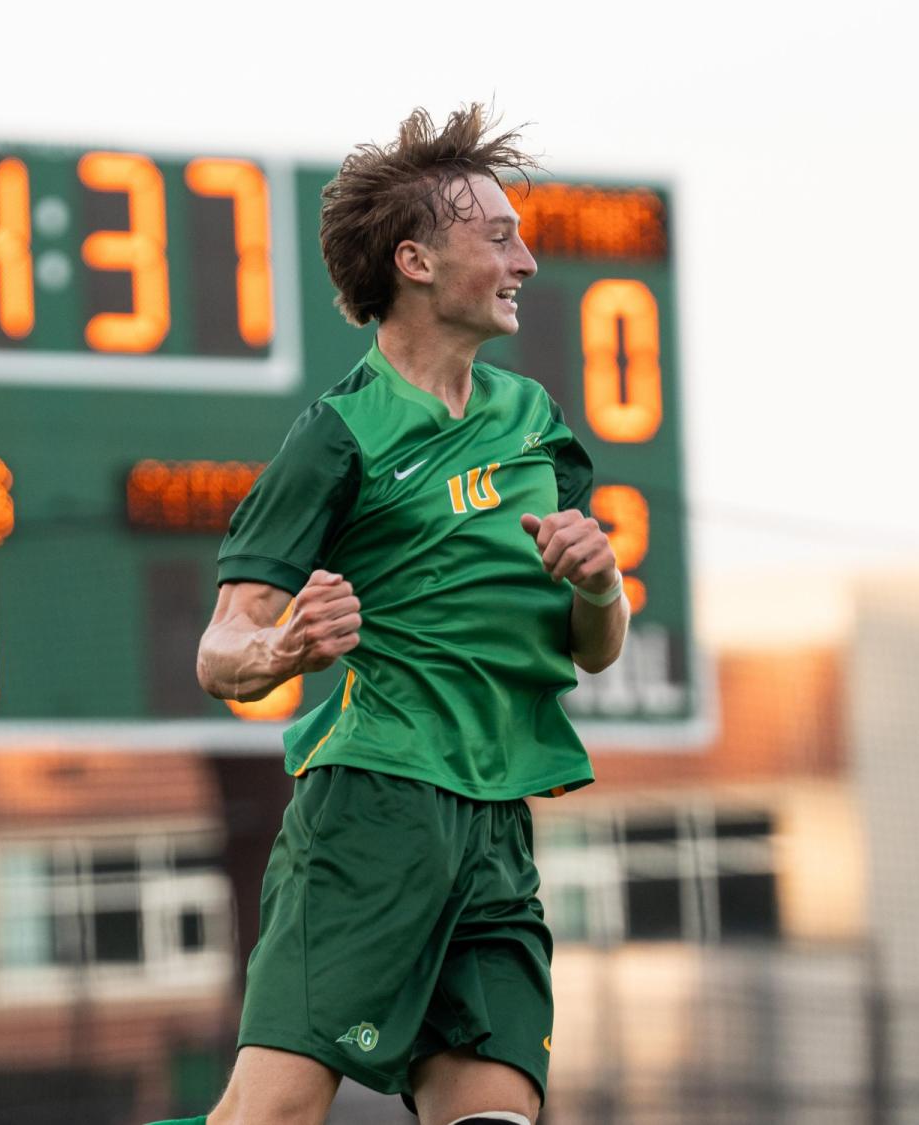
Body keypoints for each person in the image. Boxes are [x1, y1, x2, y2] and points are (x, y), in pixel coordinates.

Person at [167, 104, 629, 1125]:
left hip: (497, 827)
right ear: (416, 261)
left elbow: (592, 653)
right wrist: (284, 646)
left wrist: (601, 584)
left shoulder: (534, 423)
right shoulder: (338, 434)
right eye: (497, 236)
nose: (528, 260)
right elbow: (220, 650)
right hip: (374, 810)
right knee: (272, 1113)